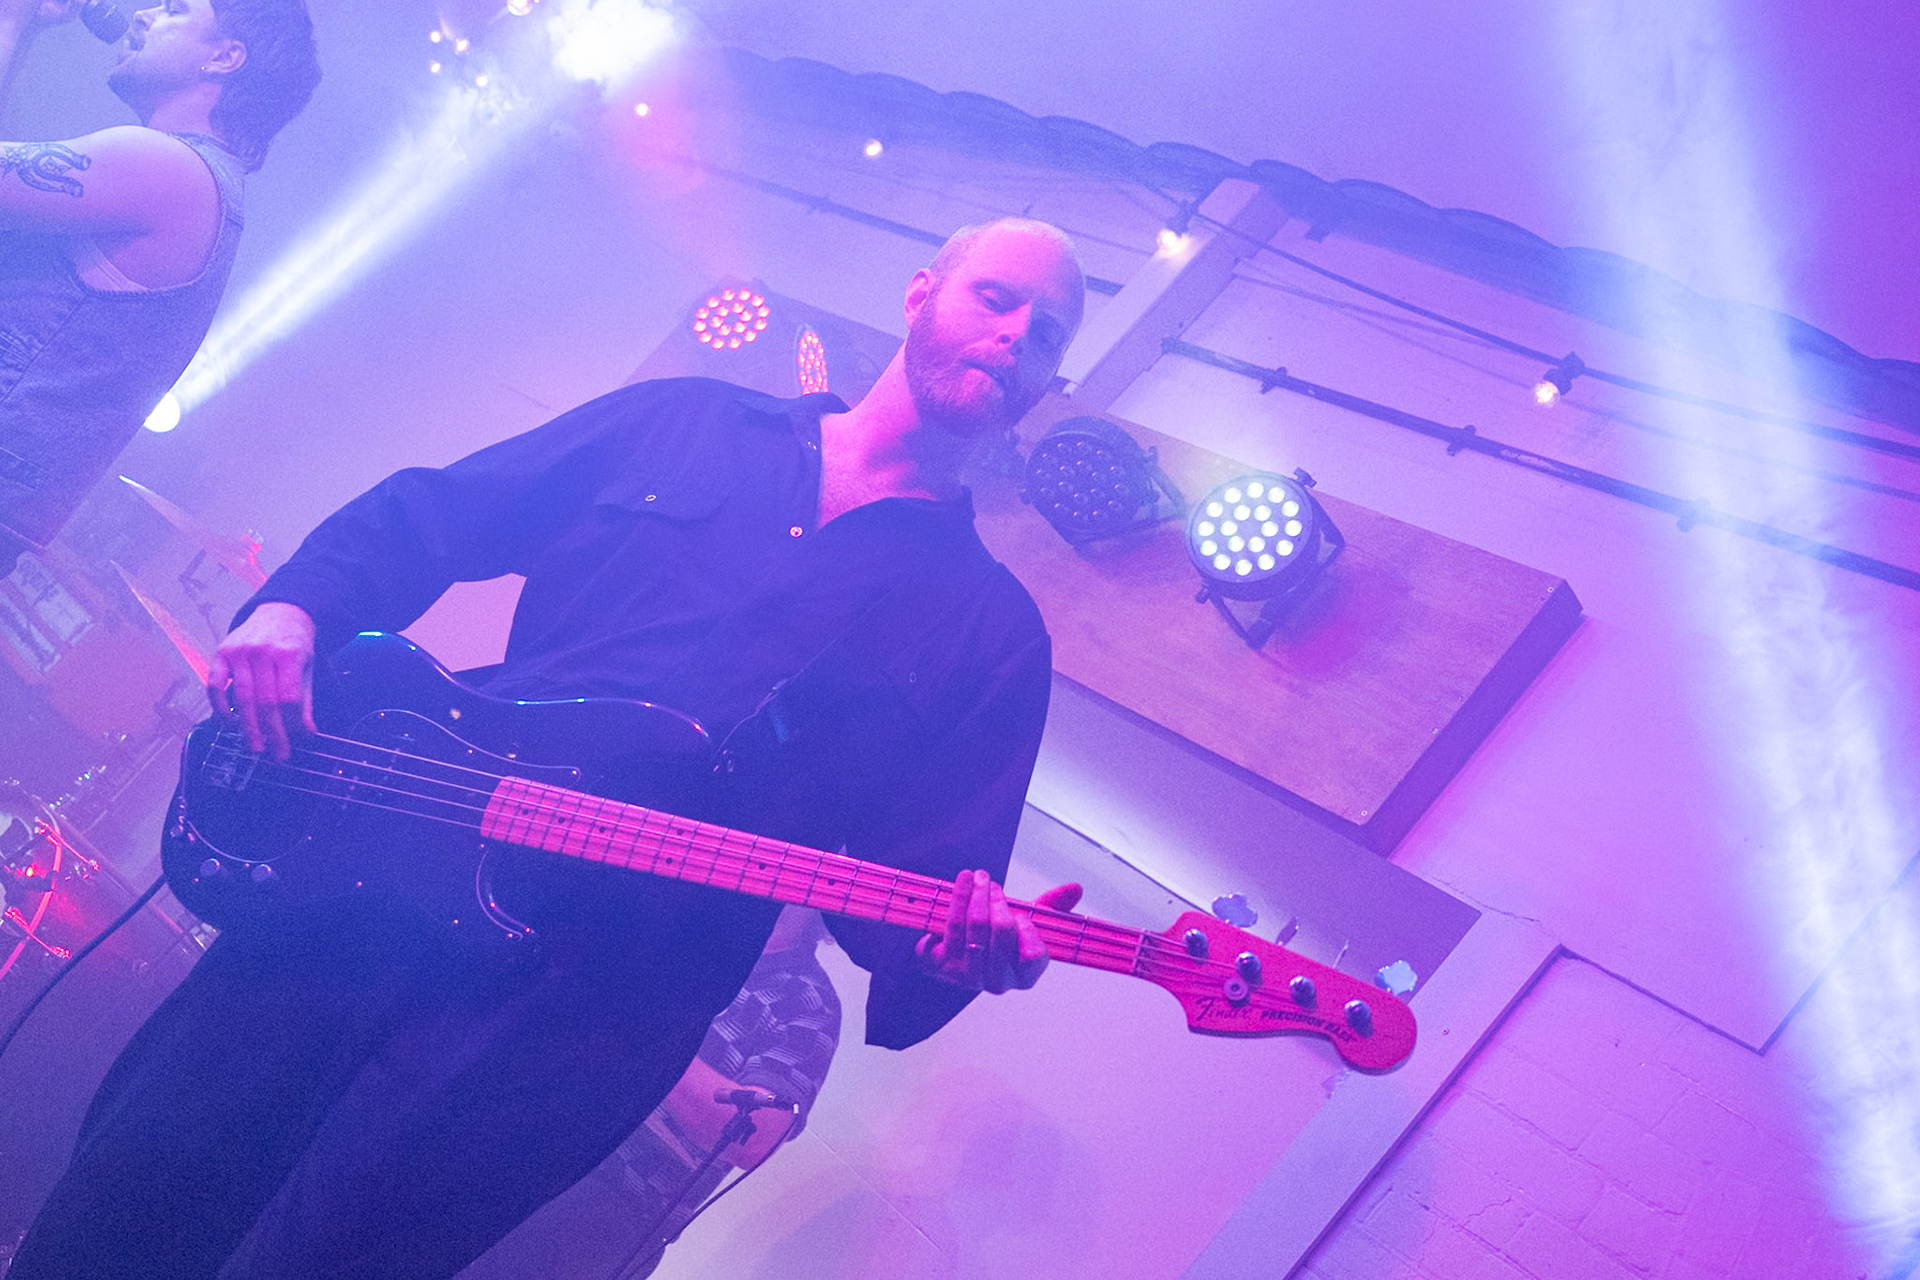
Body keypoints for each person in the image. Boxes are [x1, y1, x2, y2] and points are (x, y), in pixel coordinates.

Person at [11, 216, 1089, 1279]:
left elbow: (922, 897)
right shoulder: (688, 422)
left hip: (583, 1020)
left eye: (1045, 333)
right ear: (922, 291)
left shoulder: (991, 633)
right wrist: (297, 605)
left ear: (1049, 380)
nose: (1014, 336)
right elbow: (437, 512)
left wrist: (952, 952)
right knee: (136, 1190)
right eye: (996, 298)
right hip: (382, 874)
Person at [0, 0, 320, 575]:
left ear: (225, 57)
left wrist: (12, 19)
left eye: (174, 9)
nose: (142, 14)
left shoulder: (168, 168)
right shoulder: (201, 185)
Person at [458, 906, 843, 1280]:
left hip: (609, 1204)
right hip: (523, 1137)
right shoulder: (684, 938)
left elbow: (756, 1140)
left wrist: (645, 1044)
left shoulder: (809, 1002)